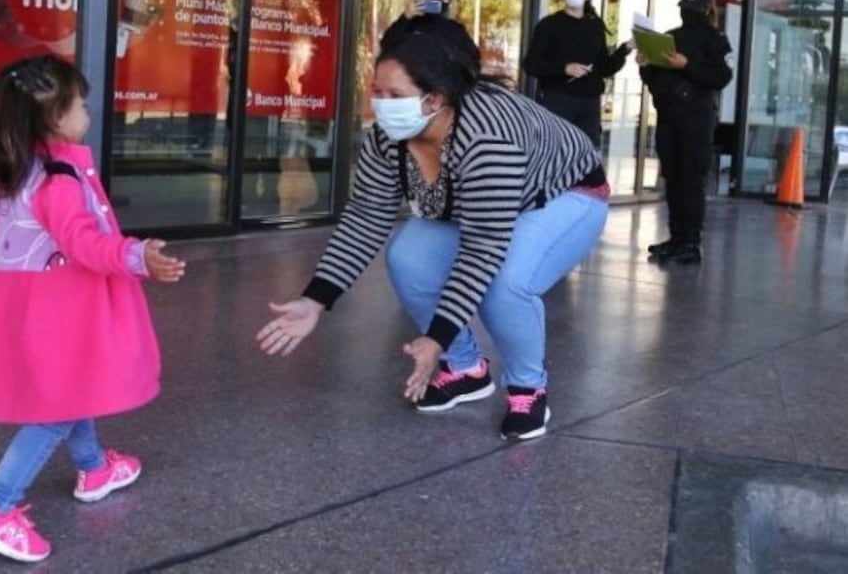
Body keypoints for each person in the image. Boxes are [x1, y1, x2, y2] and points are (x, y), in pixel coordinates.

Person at [256, 31, 609, 441]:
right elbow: (366, 216)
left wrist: (436, 336)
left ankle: (527, 388)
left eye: (395, 94)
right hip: (478, 205)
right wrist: (315, 300)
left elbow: (484, 246)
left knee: (505, 282)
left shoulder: (486, 137)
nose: (382, 104)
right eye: (377, 92)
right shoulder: (388, 138)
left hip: (566, 195)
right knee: (408, 257)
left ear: (434, 98)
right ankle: (466, 370)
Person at [0, 55, 186, 563]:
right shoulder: (59, 180)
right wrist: (137, 256)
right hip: (65, 313)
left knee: (72, 386)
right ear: (57, 118)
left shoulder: (9, 176)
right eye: (81, 105)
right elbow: (84, 243)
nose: (87, 113)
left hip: (23, 311)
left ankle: (94, 467)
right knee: (55, 410)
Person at [639, 0, 732, 264]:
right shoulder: (670, 37)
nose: (687, 12)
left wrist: (687, 66)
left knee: (691, 179)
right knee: (673, 178)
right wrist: (645, 64)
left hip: (696, 120)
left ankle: (691, 241)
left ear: (706, 9)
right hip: (669, 117)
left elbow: (721, 77)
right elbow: (654, 78)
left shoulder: (716, 40)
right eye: (685, 6)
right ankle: (676, 236)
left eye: (693, 7)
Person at [523, 0, 633, 147]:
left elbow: (604, 67)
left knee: (588, 155)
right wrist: (564, 68)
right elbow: (531, 64)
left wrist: (625, 49)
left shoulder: (595, 26)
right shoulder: (549, 25)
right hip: (557, 100)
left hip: (589, 103)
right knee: (556, 152)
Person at [380, 0, 481, 80]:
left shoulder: (454, 29)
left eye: (438, 3)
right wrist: (405, 17)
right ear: (424, 0)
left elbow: (473, 59)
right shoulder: (411, 24)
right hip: (414, 82)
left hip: (442, 84)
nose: (435, 6)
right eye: (431, 2)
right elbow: (387, 44)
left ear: (448, 1)